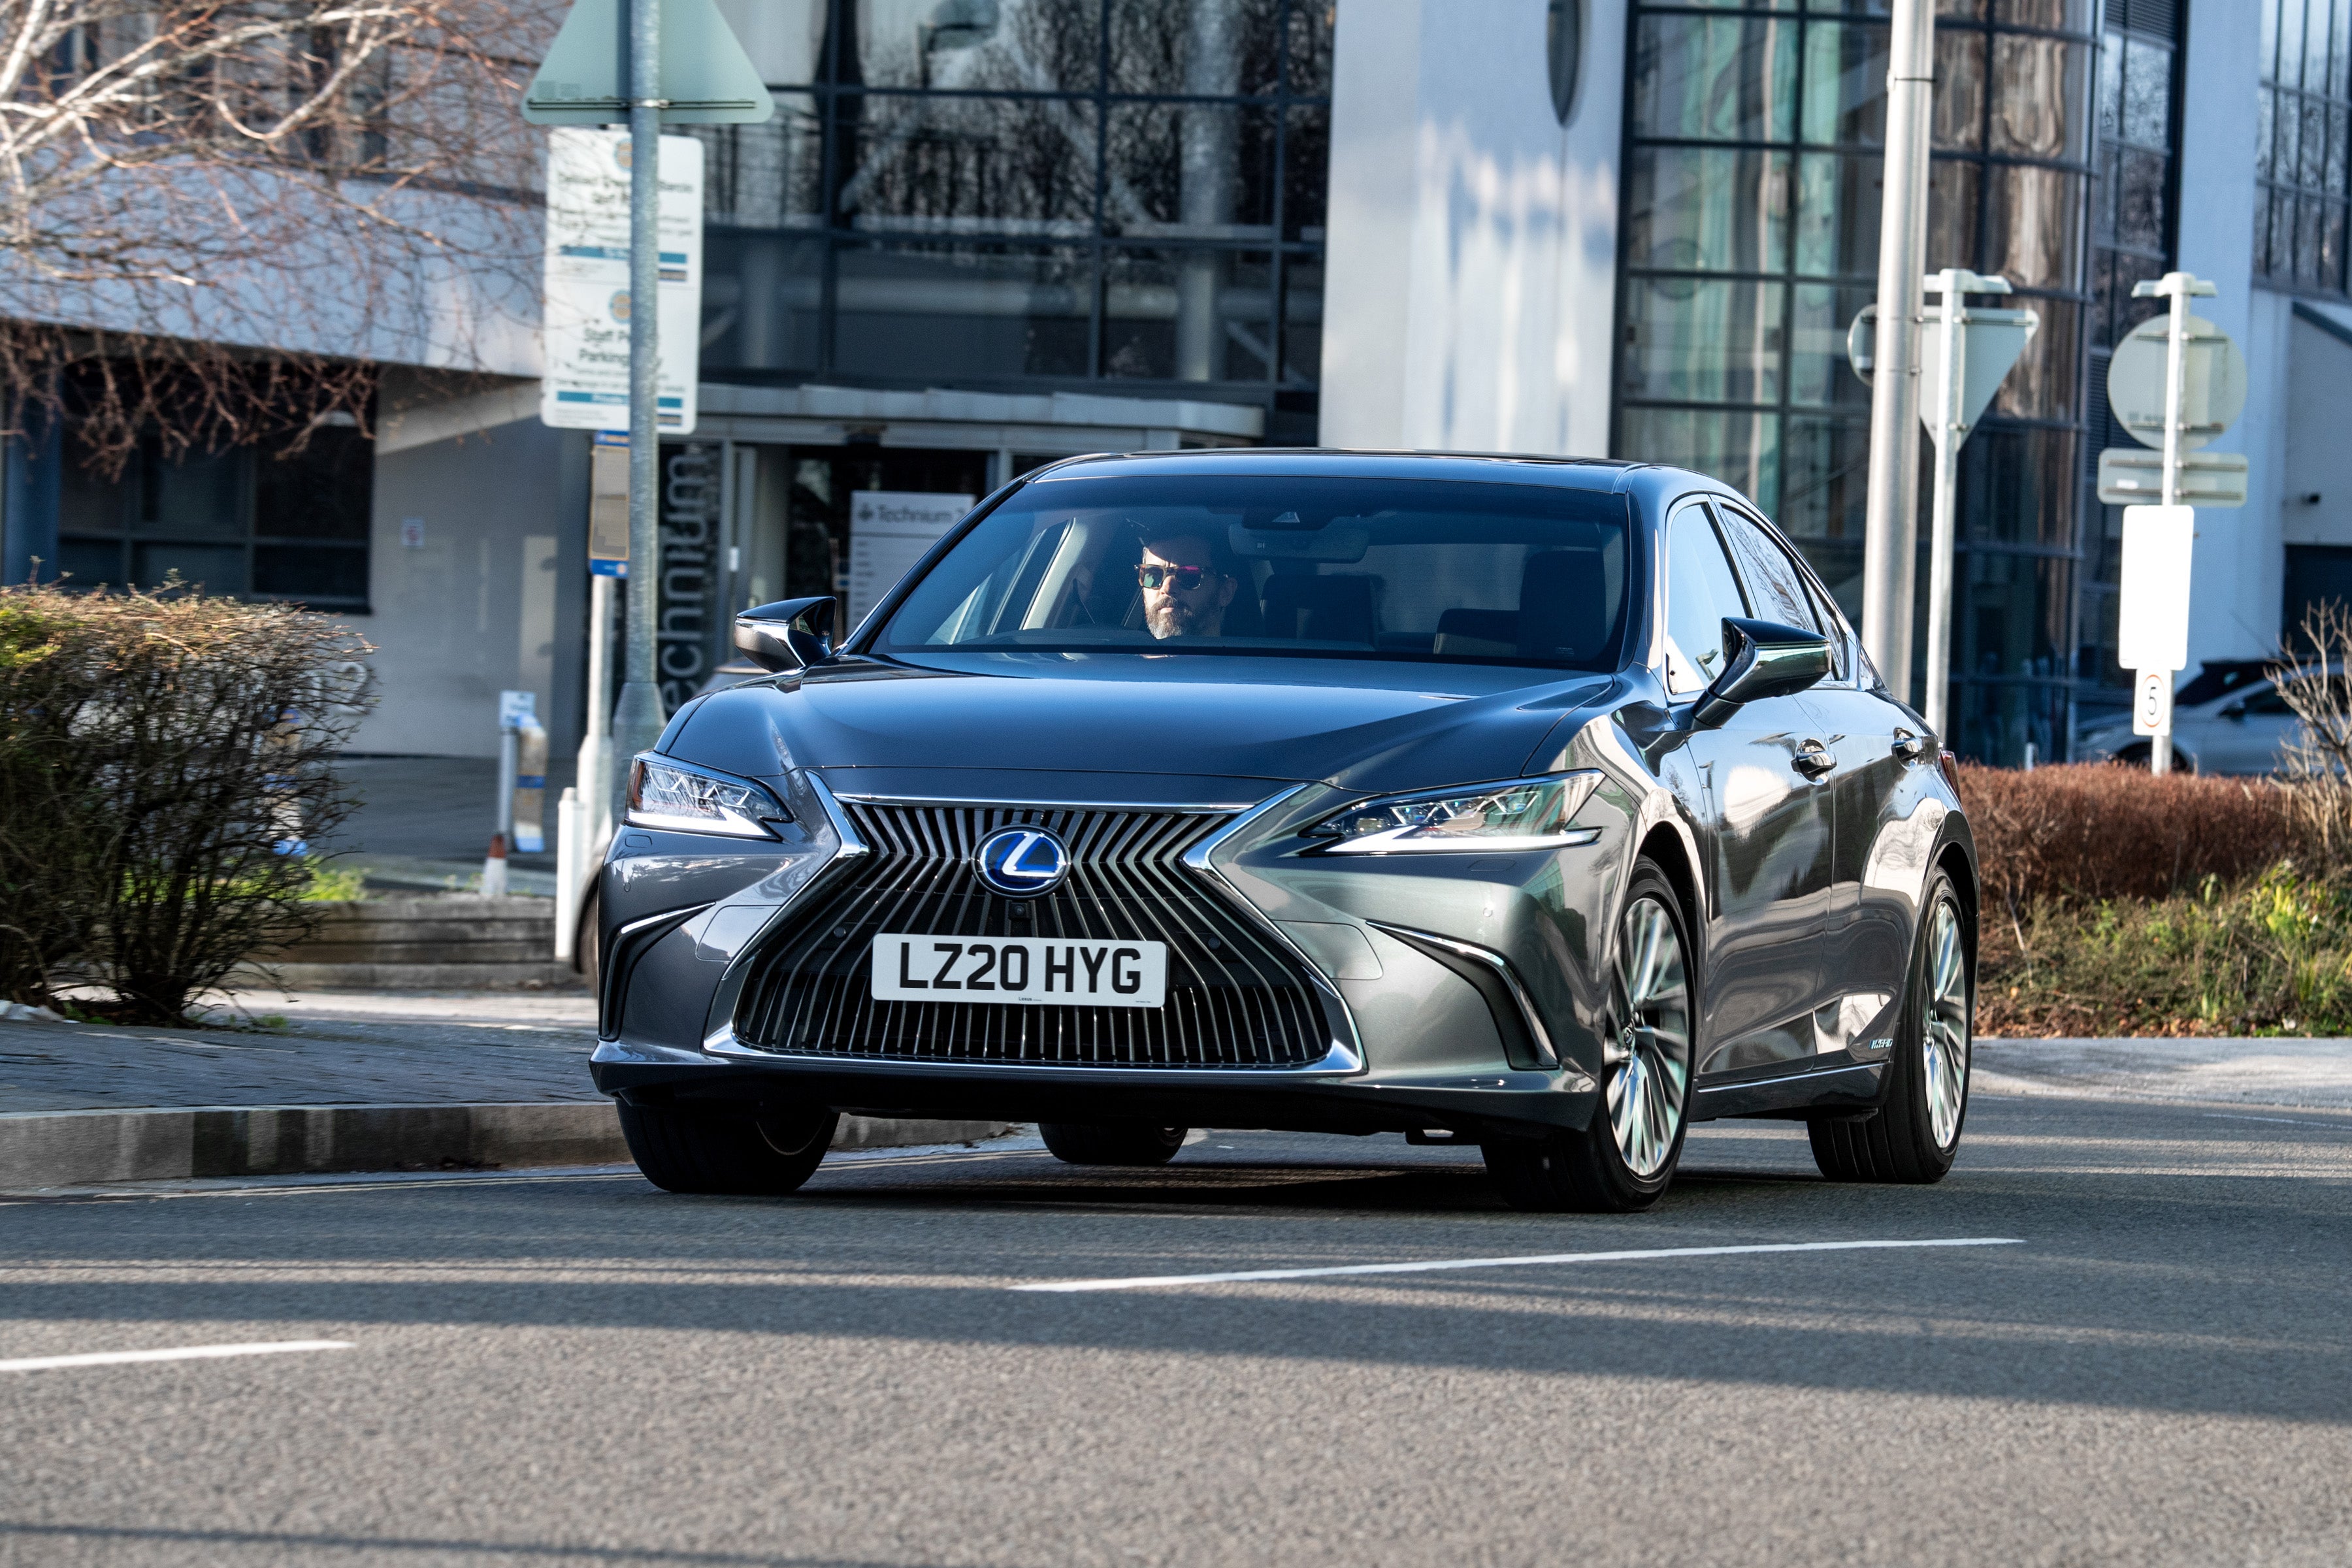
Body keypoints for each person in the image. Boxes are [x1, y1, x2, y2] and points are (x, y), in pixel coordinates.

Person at [1136, 532, 1239, 640]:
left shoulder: (1250, 656)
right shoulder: (1122, 652)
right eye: (1154, 575)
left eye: (1188, 576)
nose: (1167, 589)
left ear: (1226, 592)